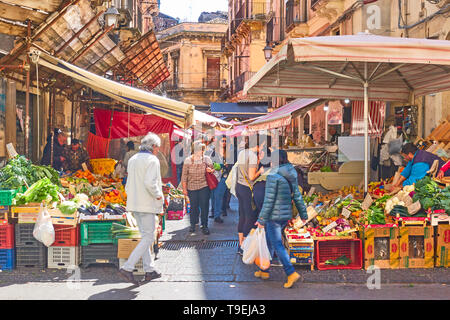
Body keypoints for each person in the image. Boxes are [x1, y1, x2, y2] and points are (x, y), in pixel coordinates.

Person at [255, 149, 308, 289]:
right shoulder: (291, 172)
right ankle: (264, 270)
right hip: (285, 215)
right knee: (269, 241)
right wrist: (303, 215)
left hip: (274, 216)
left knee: (277, 244)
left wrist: (261, 219)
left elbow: (268, 200)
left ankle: (291, 273)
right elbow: (297, 195)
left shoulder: (272, 175)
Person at [119, 132, 164, 285]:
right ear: (152, 146)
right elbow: (150, 183)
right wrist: (159, 196)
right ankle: (128, 267)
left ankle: (150, 270)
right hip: (147, 203)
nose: (158, 150)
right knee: (149, 237)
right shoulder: (152, 160)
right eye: (157, 147)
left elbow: (128, 182)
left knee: (145, 236)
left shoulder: (133, 159)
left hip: (134, 202)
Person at [236, 135, 265, 254]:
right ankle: (244, 246)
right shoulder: (252, 156)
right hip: (247, 188)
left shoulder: (243, 152)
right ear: (258, 145)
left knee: (242, 215)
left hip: (239, 186)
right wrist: (261, 171)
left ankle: (240, 244)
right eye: (262, 145)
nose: (263, 147)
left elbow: (246, 169)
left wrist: (258, 159)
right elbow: (252, 176)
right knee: (250, 217)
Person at [181, 140, 215, 235]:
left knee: (204, 206)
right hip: (191, 187)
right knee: (194, 207)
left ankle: (204, 225)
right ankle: (193, 224)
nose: (202, 151)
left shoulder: (207, 159)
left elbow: (213, 171)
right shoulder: (188, 160)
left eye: (202, 149)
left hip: (204, 186)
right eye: (200, 149)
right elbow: (184, 176)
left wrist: (211, 170)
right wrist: (184, 189)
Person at [210, 135, 233, 224]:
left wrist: (227, 166)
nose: (224, 143)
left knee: (219, 196)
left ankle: (217, 215)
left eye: (225, 141)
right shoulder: (214, 153)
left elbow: (231, 165)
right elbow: (211, 164)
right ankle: (215, 213)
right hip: (214, 177)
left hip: (224, 177)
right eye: (222, 141)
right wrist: (222, 165)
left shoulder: (229, 153)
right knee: (214, 197)